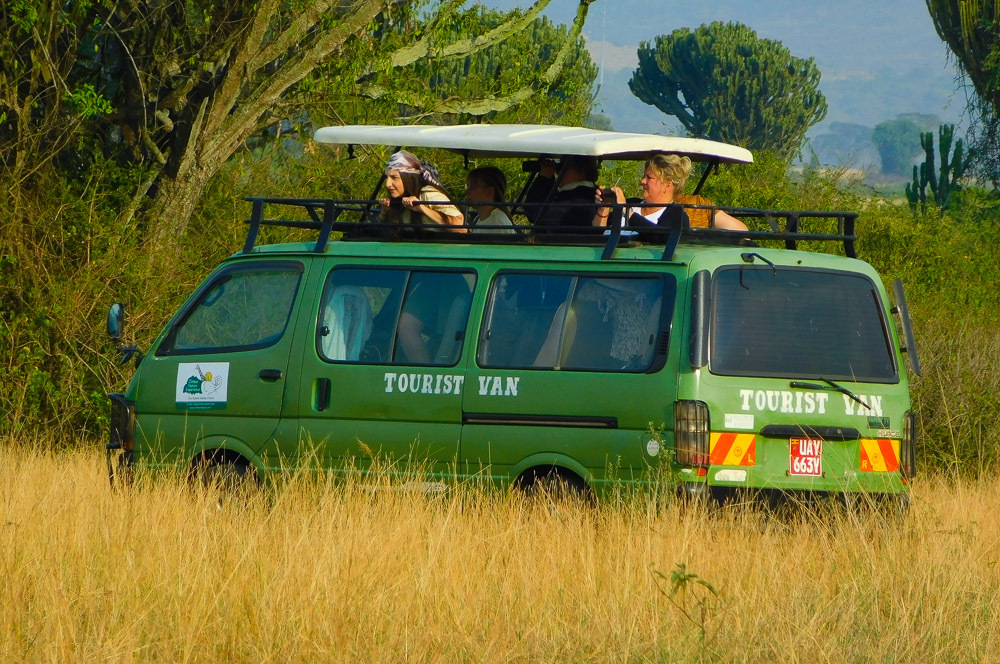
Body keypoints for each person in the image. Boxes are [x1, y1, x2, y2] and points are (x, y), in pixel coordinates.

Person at [594, 154, 747, 231]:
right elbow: (596, 236)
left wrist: (626, 211)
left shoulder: (676, 215)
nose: (642, 181)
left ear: (667, 185)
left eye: (649, 178)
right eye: (643, 177)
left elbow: (659, 237)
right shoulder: (631, 203)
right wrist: (603, 209)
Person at [379, 150, 464, 230]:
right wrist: (385, 211)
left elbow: (461, 228)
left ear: (408, 178)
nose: (388, 184)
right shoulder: (399, 199)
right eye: (387, 177)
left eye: (394, 177)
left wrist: (421, 208)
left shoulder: (428, 194)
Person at [523, 155, 601, 232]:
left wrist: (544, 178)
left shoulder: (574, 200)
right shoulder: (595, 195)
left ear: (580, 172)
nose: (558, 172)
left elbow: (533, 211)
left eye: (564, 167)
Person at [465, 167, 515, 234]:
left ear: (490, 191)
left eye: (473, 187)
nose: (467, 191)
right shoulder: (478, 219)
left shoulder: (496, 222)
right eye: (467, 186)